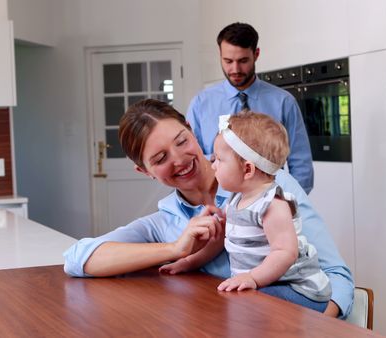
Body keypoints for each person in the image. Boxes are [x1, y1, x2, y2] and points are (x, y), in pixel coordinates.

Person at [63, 99, 353, 318]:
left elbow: (337, 276)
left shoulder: (270, 186)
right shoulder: (164, 223)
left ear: (191, 130)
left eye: (181, 141)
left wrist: (311, 328)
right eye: (161, 158)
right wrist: (176, 249)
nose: (179, 160)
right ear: (145, 170)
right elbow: (78, 258)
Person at [159, 111, 331, 312]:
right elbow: (218, 244)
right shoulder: (236, 199)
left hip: (299, 290)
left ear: (247, 170)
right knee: (239, 306)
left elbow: (285, 252)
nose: (212, 166)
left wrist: (252, 278)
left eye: (219, 160)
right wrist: (188, 263)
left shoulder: (272, 204)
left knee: (244, 305)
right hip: (269, 285)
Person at [187, 22, 314, 194]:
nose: (235, 69)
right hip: (218, 207)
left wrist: (289, 203)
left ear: (256, 54)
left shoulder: (284, 102)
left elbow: (301, 163)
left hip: (271, 203)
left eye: (243, 61)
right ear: (220, 55)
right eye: (228, 61)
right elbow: (193, 161)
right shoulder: (201, 104)